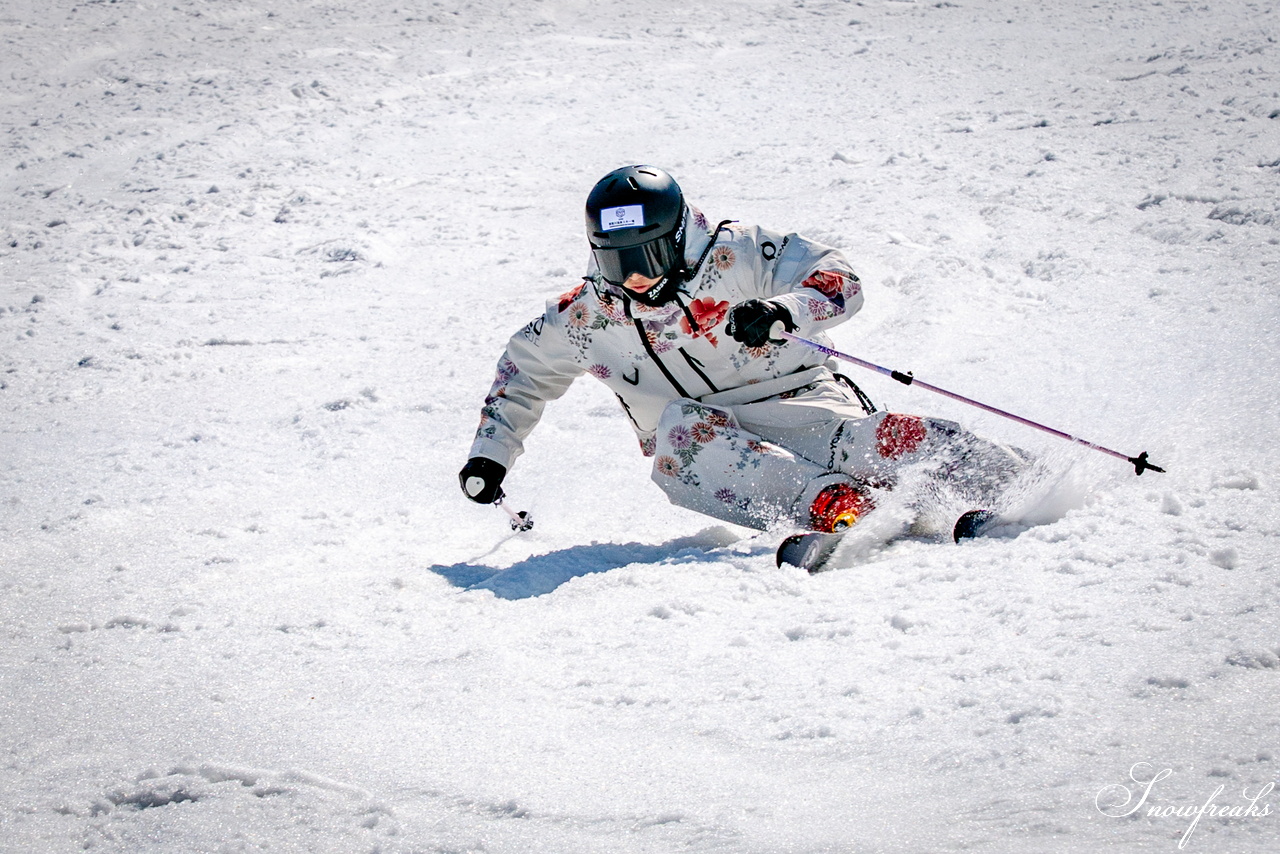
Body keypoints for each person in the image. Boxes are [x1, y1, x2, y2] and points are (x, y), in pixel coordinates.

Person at [459, 165, 1025, 539]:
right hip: (712, 446)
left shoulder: (737, 253)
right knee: (680, 435)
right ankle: (835, 506)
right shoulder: (587, 315)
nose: (632, 277)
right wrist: (491, 455)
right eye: (615, 260)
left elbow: (838, 276)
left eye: (646, 257)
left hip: (800, 401)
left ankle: (1008, 480)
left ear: (677, 237)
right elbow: (522, 374)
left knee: (878, 443)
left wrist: (786, 311)